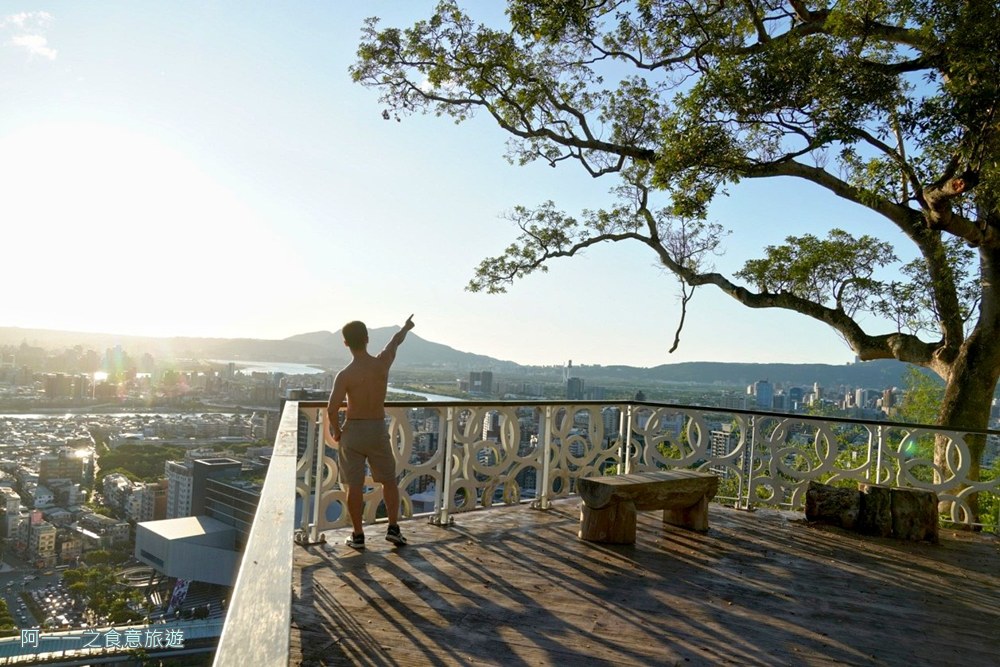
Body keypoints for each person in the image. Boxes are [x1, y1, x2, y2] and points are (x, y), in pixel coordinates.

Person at [327, 314, 415, 549]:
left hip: (353, 431)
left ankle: (357, 535)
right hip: (377, 428)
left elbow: (332, 409)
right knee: (389, 481)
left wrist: (337, 431)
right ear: (367, 339)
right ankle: (393, 529)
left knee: (354, 485)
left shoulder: (345, 374)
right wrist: (406, 328)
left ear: (345, 343)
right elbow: (395, 342)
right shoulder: (381, 363)